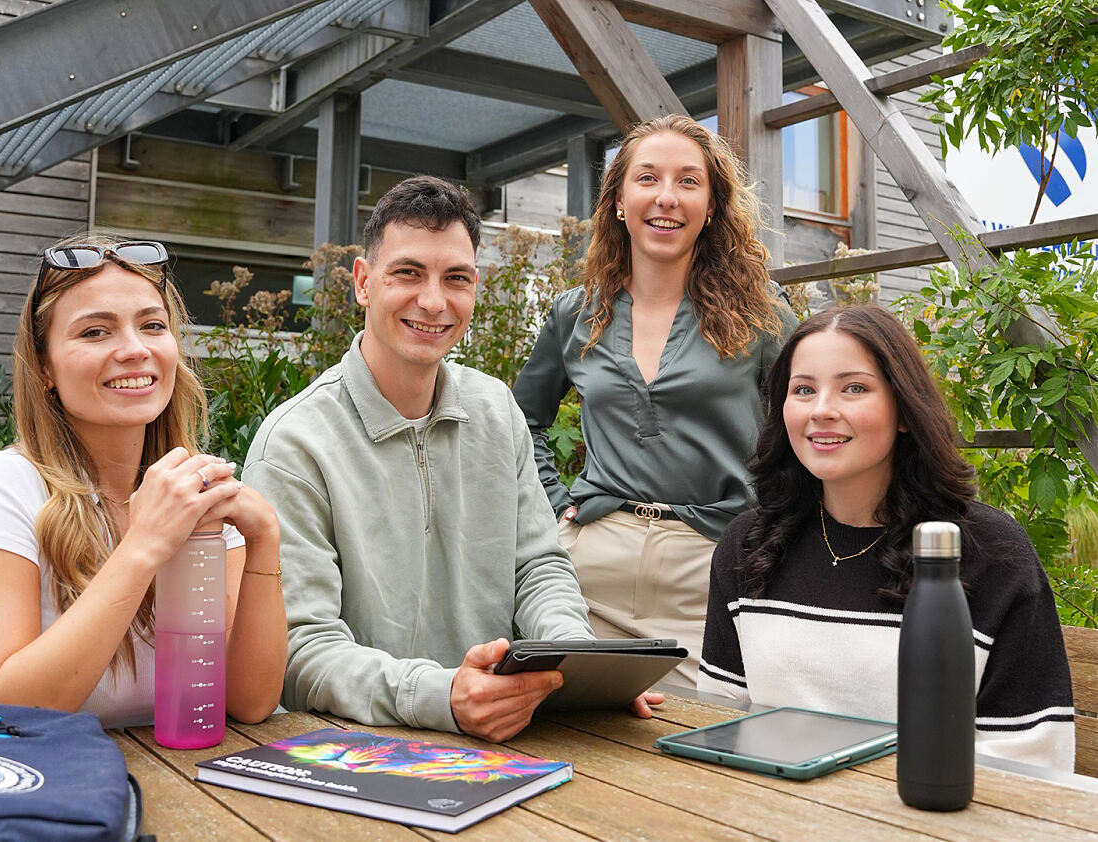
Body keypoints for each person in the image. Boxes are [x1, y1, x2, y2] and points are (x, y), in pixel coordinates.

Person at [244, 176, 660, 743]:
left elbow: (537, 566)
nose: (434, 301)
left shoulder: (496, 410)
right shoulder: (294, 444)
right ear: (363, 283)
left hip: (499, 737)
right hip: (351, 749)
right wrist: (443, 696)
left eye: (456, 278)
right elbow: (300, 650)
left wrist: (578, 666)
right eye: (408, 273)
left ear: (475, 287)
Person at [698, 304, 1074, 771]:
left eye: (854, 388)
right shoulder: (747, 543)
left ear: (904, 411)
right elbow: (721, 721)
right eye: (804, 389)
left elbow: (1033, 758)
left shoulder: (991, 552)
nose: (822, 410)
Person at [0, 234, 287, 728]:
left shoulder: (193, 490)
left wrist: (264, 540)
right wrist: (143, 547)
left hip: (168, 773)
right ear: (44, 366)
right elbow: (1, 713)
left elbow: (248, 702)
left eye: (152, 325)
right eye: (95, 332)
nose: (134, 349)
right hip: (31, 772)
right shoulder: (1, 485)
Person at [513, 114, 797, 685]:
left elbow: (804, 428)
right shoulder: (577, 312)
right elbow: (520, 419)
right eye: (647, 178)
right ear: (619, 200)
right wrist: (553, 501)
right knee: (573, 727)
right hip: (589, 570)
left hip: (711, 568)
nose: (666, 197)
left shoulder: (761, 314)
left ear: (711, 206)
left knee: (708, 729)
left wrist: (772, 528)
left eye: (688, 181)